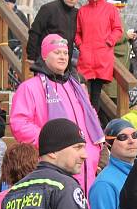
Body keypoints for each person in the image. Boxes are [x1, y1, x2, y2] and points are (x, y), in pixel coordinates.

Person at [10, 33, 104, 193]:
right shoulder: (30, 87)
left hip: (86, 164)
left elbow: (92, 118)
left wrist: (98, 150)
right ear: (45, 55)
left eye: (65, 53)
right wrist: (52, 143)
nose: (62, 57)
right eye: (57, 52)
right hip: (55, 165)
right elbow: (19, 124)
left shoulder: (77, 87)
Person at [75, 0, 123, 110]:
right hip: (86, 57)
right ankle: (82, 122)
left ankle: (94, 124)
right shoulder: (82, 11)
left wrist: (109, 41)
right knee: (82, 91)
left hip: (102, 57)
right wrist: (80, 44)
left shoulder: (110, 9)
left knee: (96, 94)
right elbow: (77, 32)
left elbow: (117, 29)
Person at [27, 0, 81, 64]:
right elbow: (34, 32)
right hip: (46, 60)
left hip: (65, 61)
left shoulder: (77, 13)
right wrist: (31, 56)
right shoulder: (48, 9)